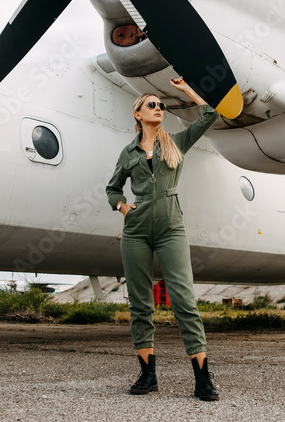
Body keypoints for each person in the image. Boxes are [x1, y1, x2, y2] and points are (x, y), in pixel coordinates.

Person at [106, 77, 220, 401]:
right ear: (138, 114)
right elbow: (112, 187)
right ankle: (147, 375)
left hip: (171, 227)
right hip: (136, 230)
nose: (159, 108)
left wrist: (187, 89)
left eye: (161, 106)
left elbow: (210, 115)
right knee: (141, 304)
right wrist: (123, 208)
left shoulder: (175, 143)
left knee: (184, 301)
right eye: (152, 105)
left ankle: (202, 378)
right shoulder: (128, 153)